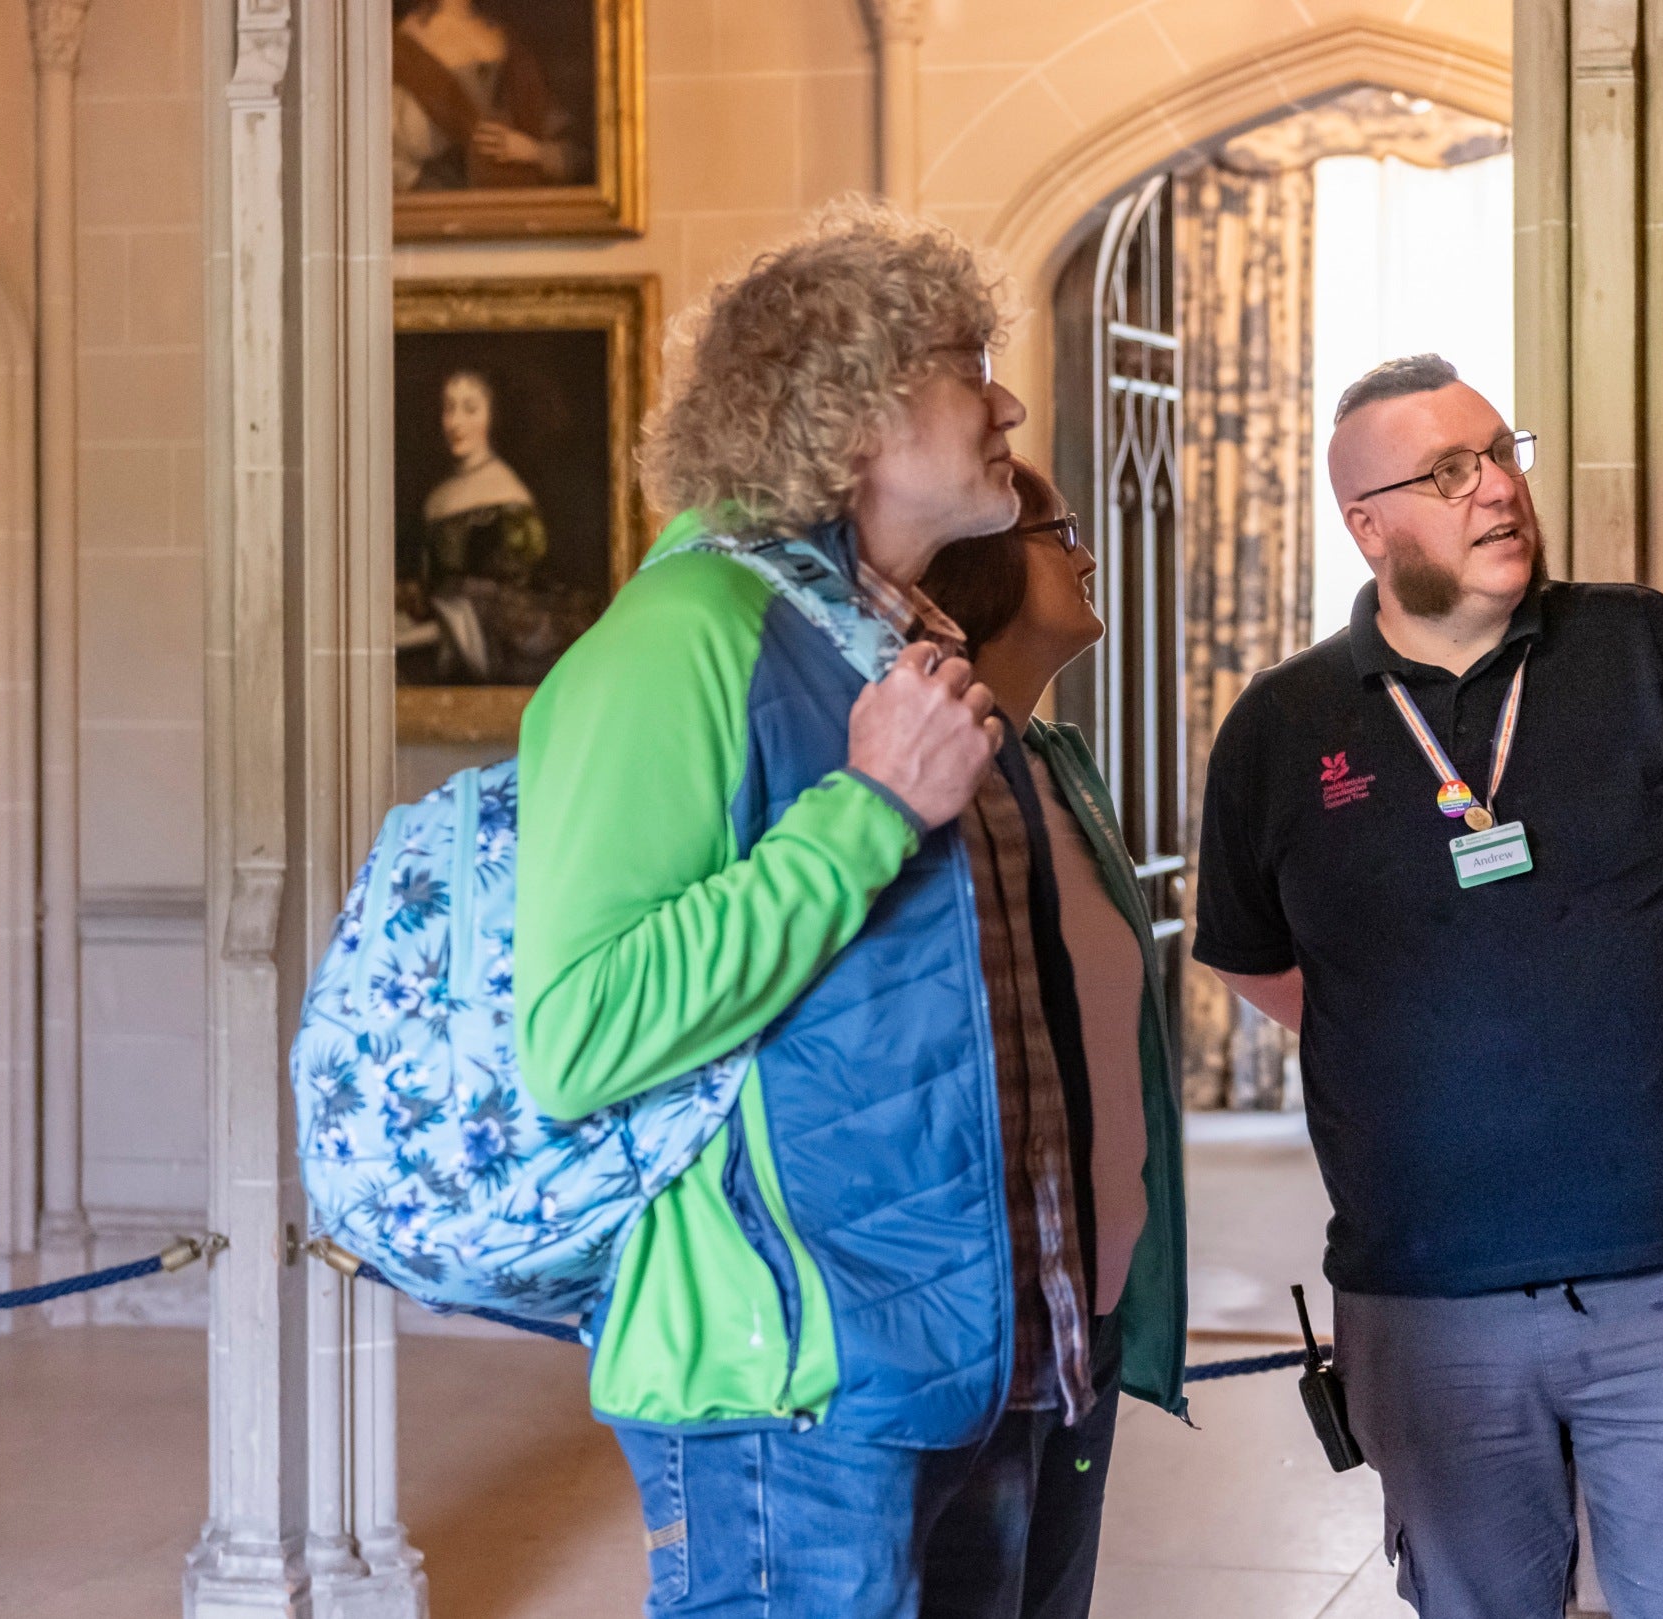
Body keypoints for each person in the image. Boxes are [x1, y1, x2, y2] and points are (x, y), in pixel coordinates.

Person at [513, 203, 1181, 1619]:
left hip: (989, 1364)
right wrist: (866, 813)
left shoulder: (899, 636)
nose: (1006, 400)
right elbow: (581, 1030)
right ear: (850, 409)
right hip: (794, 1396)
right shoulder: (678, 639)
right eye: (966, 364)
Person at [1191, 354, 1663, 1619]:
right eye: (1449, 471)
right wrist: (1398, 1039)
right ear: (1367, 524)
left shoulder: (1641, 644)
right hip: (1425, 1298)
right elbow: (1246, 950)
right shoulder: (1281, 725)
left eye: (1499, 452)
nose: (1496, 487)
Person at [907, 458, 1192, 1618]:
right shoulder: (924, 785)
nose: (1084, 550)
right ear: (979, 562)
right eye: (1057, 528)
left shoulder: (1064, 772)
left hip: (1091, 1305)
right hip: (974, 1320)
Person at [398, 367, 582, 684]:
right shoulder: (436, 498)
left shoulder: (509, 499)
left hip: (497, 642)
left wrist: (436, 624)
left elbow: (510, 604)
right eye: (449, 408)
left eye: (470, 409)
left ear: (492, 417)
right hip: (442, 631)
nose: (456, 422)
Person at [393, 0, 585, 192]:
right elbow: (387, 158)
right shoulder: (405, 44)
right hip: (443, 203)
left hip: (517, 199)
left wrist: (536, 152)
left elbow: (579, 157)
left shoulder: (511, 45)